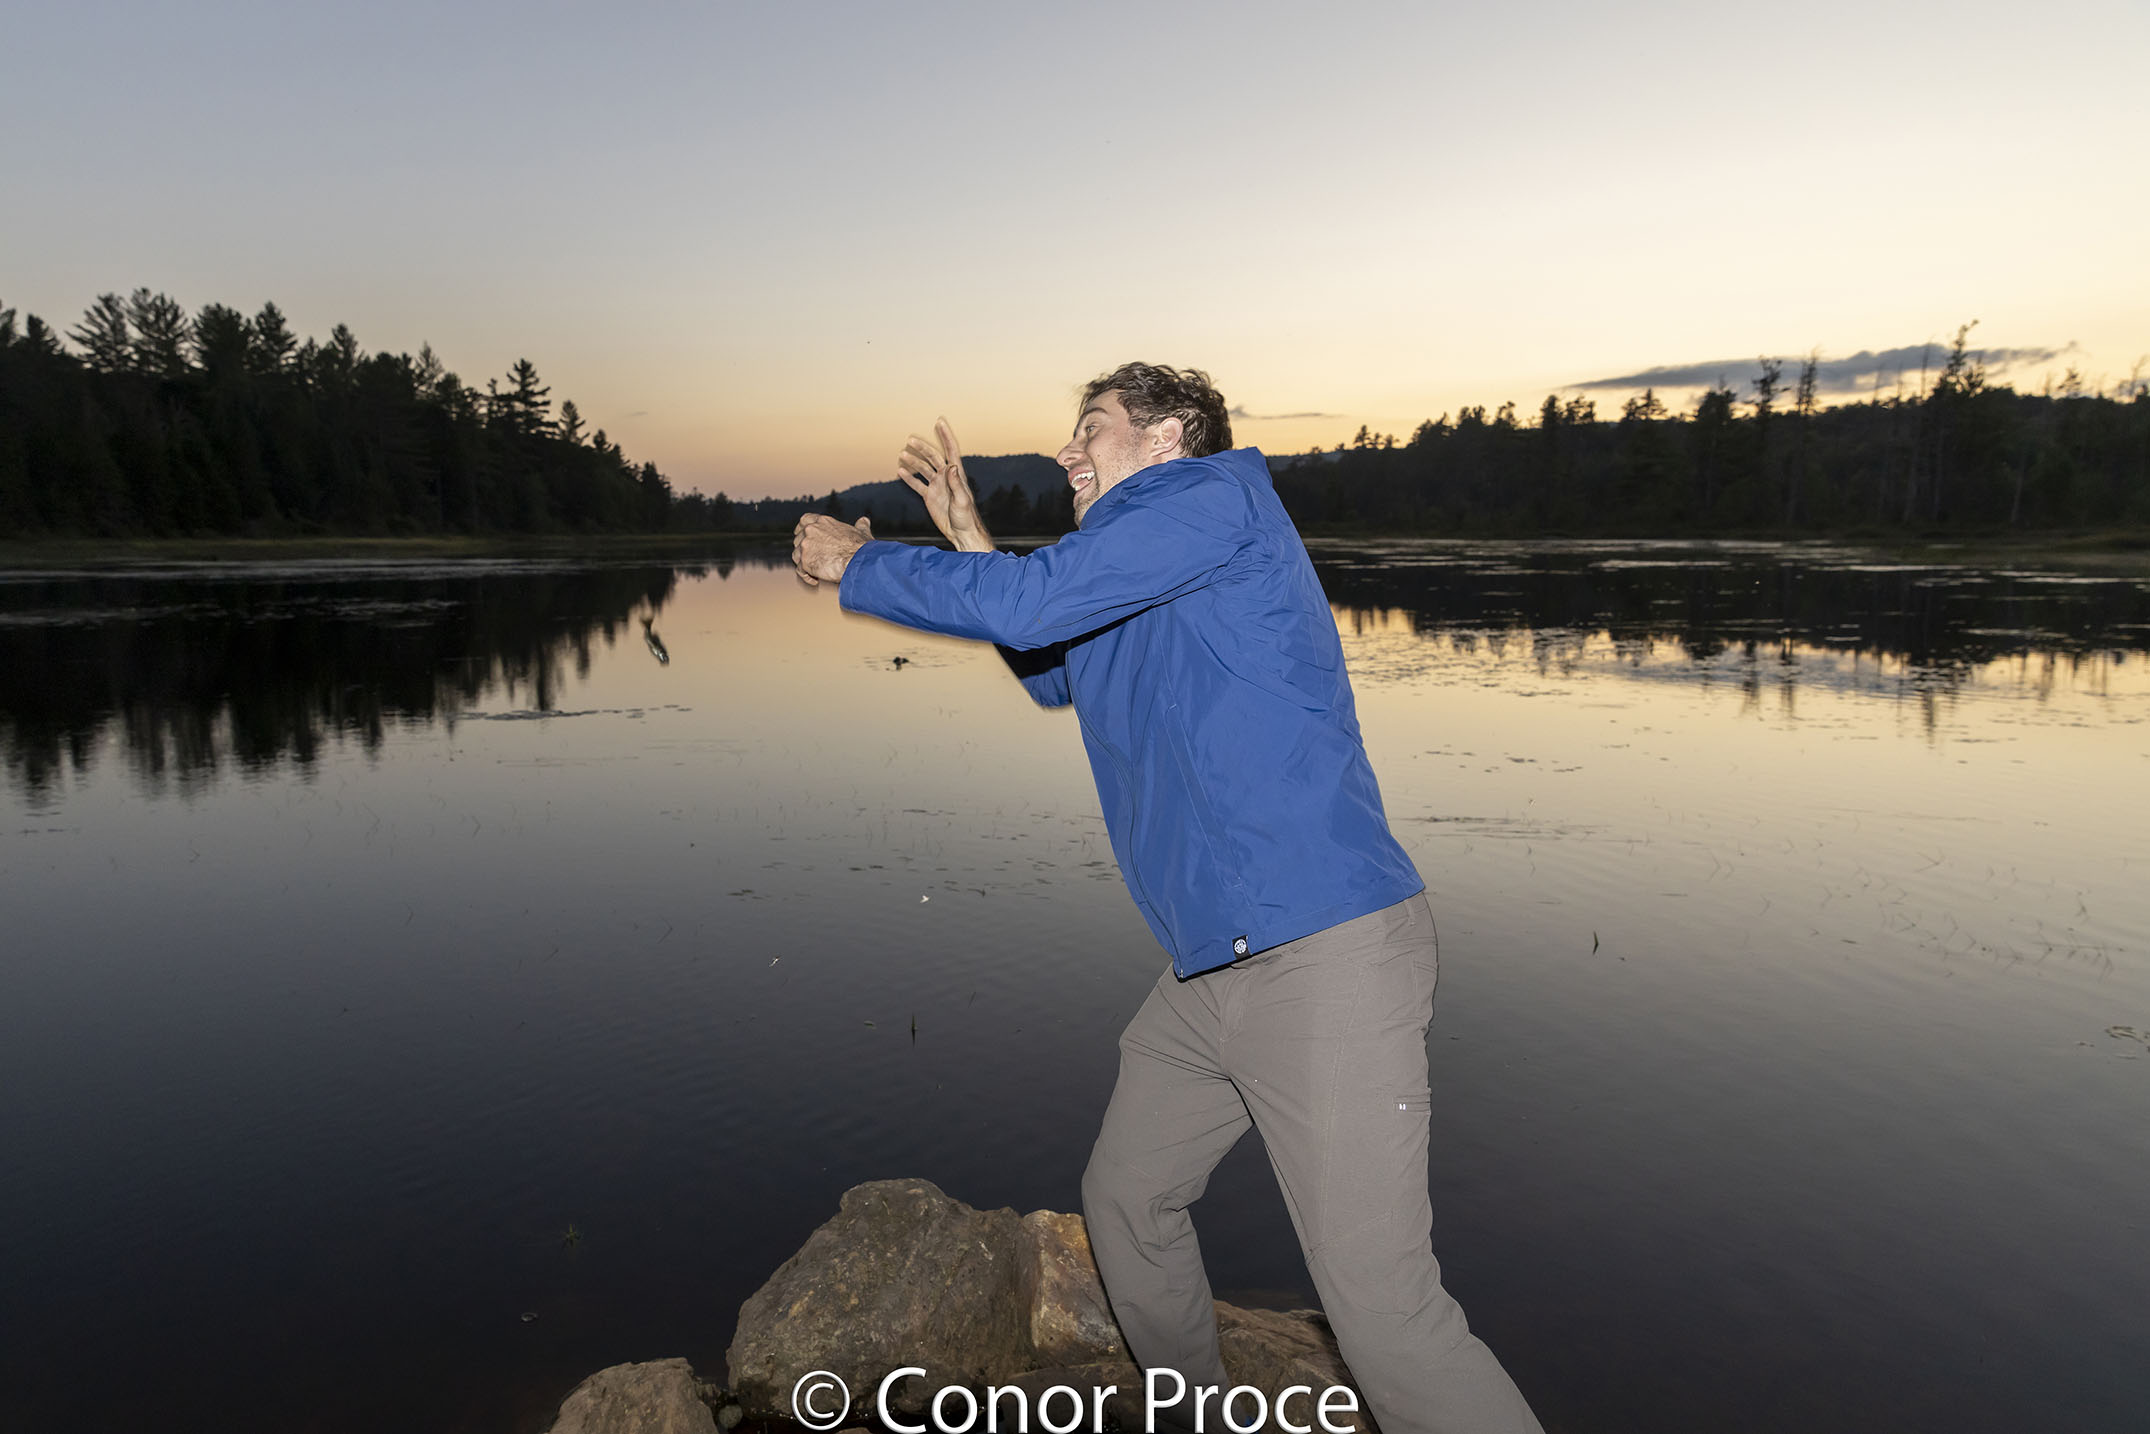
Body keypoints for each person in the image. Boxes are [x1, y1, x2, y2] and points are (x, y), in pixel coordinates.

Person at [792, 364, 1542, 1434]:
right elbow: (1049, 663)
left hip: (1324, 954)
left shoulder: (1208, 502)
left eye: (1091, 426)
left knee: (1385, 1313)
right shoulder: (1146, 563)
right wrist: (966, 536)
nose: (1067, 450)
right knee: (1129, 1199)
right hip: (1212, 969)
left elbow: (1036, 602)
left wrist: (860, 561)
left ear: (1169, 436)